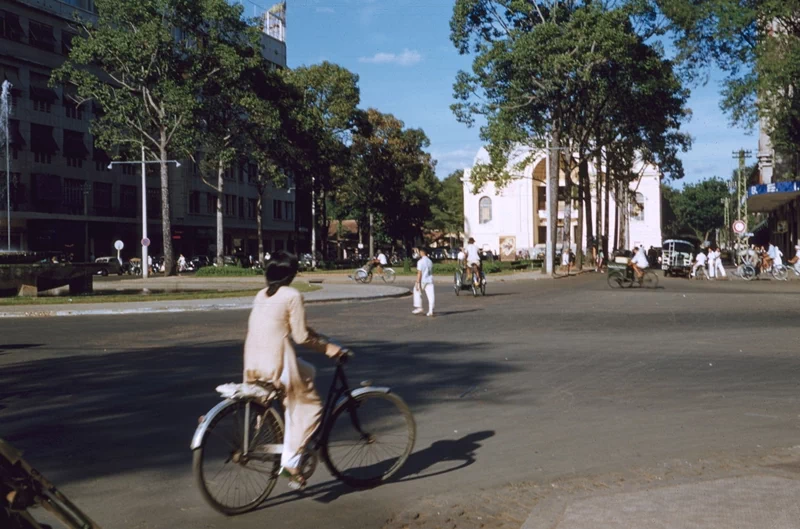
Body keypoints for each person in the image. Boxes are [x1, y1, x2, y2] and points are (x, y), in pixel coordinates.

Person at [243, 251, 344, 491]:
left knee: (307, 371)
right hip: (276, 362)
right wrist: (329, 348)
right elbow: (299, 337)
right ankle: (291, 461)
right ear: (291, 275)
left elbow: (286, 322)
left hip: (252, 361)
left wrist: (314, 332)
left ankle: (289, 427)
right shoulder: (292, 294)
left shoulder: (261, 295)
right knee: (311, 406)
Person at [412, 247, 435, 317]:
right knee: (431, 296)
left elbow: (419, 273)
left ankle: (419, 307)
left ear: (421, 252)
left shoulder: (420, 262)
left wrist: (417, 282)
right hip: (430, 280)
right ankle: (431, 310)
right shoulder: (430, 261)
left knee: (416, 291)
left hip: (422, 281)